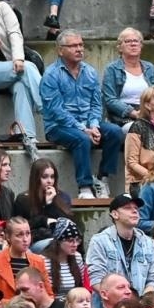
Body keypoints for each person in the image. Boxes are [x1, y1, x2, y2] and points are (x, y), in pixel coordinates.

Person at [41, 32, 122, 201]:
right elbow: (57, 111)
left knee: (115, 132)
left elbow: (96, 104)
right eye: (73, 46)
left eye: (80, 45)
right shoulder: (51, 75)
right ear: (60, 50)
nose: (79, 49)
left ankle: (102, 178)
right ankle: (84, 186)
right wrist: (84, 129)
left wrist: (93, 125)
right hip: (58, 127)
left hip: (87, 123)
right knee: (82, 139)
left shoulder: (90, 72)